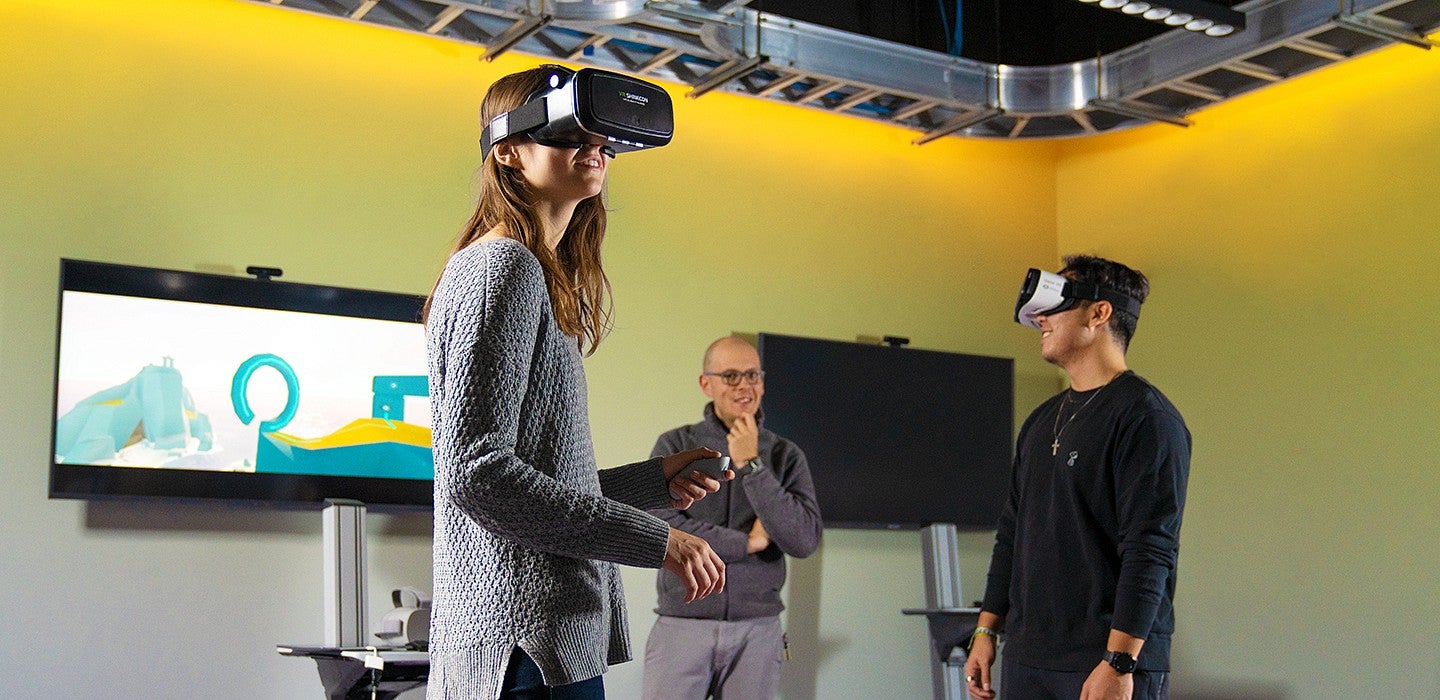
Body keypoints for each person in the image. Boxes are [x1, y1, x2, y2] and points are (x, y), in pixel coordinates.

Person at [424, 65, 732, 700]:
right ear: (507, 151)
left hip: (539, 643)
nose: (594, 148)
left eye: (603, 139)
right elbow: (477, 474)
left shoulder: (527, 271)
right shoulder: (503, 267)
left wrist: (654, 484)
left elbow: (529, 477)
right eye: (569, 133)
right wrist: (658, 540)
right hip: (521, 645)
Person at [965, 255, 1191, 700]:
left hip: (1103, 661)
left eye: (1055, 305)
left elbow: (1150, 549)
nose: (1041, 318)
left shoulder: (1147, 418)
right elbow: (1012, 533)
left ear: (1099, 312)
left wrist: (1120, 662)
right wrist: (986, 631)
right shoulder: (1040, 421)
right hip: (1029, 658)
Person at [641, 335, 824, 700]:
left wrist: (751, 464)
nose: (744, 386)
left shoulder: (786, 455)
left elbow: (803, 539)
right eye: (731, 376)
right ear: (706, 383)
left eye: (752, 375)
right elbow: (659, 526)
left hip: (757, 630)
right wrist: (749, 542)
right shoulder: (675, 446)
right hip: (683, 623)